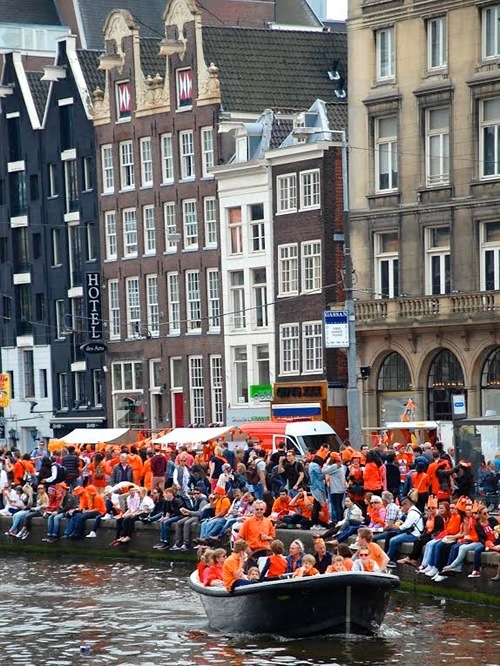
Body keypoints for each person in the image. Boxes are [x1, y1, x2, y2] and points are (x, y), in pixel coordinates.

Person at [385, 494, 424, 567]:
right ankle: (390, 559)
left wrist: (396, 527)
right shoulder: (413, 510)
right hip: (412, 532)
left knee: (393, 540)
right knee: (391, 535)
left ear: (406, 504)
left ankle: (388, 559)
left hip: (414, 535)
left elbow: (406, 526)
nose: (402, 508)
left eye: (402, 506)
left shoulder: (412, 512)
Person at [238, 499, 275, 563]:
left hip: (265, 551)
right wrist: (247, 549)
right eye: (257, 509)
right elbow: (240, 537)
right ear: (253, 510)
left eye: (261, 509)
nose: (259, 511)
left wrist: (267, 537)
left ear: (264, 510)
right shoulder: (248, 522)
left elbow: (272, 537)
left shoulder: (268, 522)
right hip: (251, 551)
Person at [322, 452, 346, 524]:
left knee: (336, 506)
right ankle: (341, 520)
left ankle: (338, 520)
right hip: (341, 488)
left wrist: (326, 463)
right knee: (340, 505)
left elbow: (324, 471)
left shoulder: (335, 466)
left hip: (335, 489)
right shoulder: (341, 466)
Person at [308, 455, 327, 528]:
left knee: (316, 504)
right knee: (317, 505)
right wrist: (324, 471)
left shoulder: (310, 465)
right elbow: (320, 476)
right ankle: (315, 523)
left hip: (314, 486)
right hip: (318, 486)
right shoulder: (315, 466)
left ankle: (315, 523)